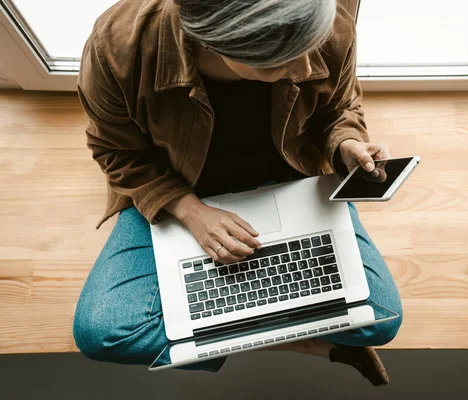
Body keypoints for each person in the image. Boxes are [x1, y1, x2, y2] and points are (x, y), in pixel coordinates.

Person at [73, 0, 402, 386]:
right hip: (175, 188)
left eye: (309, 48)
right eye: (280, 61)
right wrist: (191, 212)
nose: (306, 68)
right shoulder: (118, 45)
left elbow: (340, 107)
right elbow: (116, 151)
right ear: (215, 45)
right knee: (103, 333)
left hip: (291, 182)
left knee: (381, 318)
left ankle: (242, 332)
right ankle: (311, 343)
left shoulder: (324, 20)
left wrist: (345, 142)